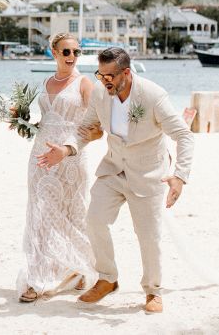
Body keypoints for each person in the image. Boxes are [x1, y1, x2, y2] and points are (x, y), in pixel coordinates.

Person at [36, 47, 194, 313]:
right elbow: (85, 129)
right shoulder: (100, 93)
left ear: (126, 73)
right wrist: (65, 149)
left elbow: (184, 136)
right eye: (100, 74)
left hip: (148, 173)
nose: (104, 80)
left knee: (148, 236)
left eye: (110, 75)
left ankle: (153, 291)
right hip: (113, 170)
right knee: (95, 220)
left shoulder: (153, 96)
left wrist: (180, 176)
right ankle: (107, 278)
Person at [18, 33, 102, 302]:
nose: (72, 57)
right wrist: (22, 122)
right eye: (66, 52)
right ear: (53, 52)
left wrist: (67, 149)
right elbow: (45, 121)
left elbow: (97, 127)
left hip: (71, 159)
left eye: (77, 52)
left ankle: (79, 269)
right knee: (39, 216)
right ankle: (36, 279)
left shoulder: (85, 83)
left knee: (73, 216)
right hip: (40, 157)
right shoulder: (46, 82)